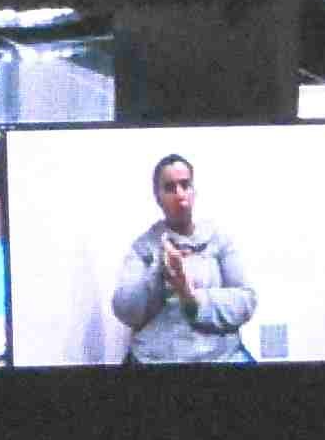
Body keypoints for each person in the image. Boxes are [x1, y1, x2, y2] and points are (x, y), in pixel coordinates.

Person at [111, 152, 259, 364]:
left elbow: (246, 300)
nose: (180, 194)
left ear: (194, 191)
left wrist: (191, 297)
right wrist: (158, 271)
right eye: (169, 188)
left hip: (221, 357)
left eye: (185, 185)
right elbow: (125, 310)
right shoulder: (143, 247)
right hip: (155, 360)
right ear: (157, 197)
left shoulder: (219, 240)